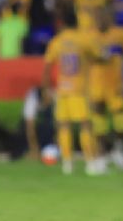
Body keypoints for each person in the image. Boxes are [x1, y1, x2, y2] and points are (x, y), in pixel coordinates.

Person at [42, 10, 100, 176]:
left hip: (62, 89)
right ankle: (90, 163)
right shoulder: (83, 40)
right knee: (85, 125)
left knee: (63, 125)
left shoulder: (57, 41)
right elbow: (98, 56)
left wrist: (46, 88)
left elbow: (47, 66)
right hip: (79, 89)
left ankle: (67, 163)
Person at [87, 5, 123, 171]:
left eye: (104, 17)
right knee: (98, 118)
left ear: (110, 18)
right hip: (95, 83)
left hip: (115, 83)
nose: (100, 20)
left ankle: (118, 149)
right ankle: (101, 155)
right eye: (98, 17)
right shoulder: (89, 35)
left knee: (121, 121)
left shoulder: (120, 33)